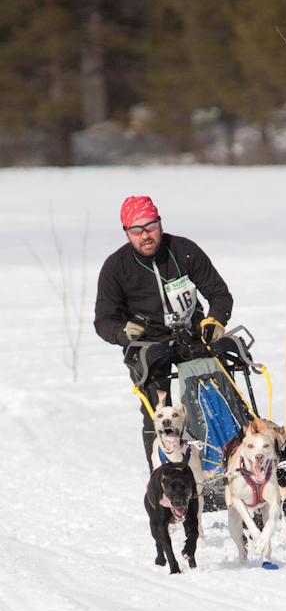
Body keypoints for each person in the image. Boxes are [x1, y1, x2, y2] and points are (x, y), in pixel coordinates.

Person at [94, 195, 233, 465]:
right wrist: (124, 332)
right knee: (159, 415)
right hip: (148, 347)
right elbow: (103, 321)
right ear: (126, 232)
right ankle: (163, 477)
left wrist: (215, 320)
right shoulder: (116, 267)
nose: (145, 235)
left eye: (150, 226)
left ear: (159, 223)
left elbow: (219, 294)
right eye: (137, 229)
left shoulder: (184, 250)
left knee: (209, 402)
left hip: (191, 337)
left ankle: (218, 465)